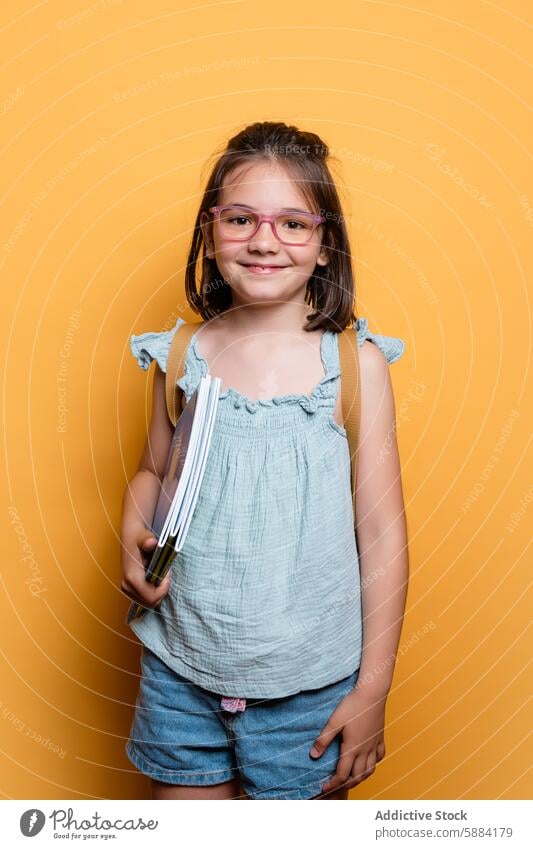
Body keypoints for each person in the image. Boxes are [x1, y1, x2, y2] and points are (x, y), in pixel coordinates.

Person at [120, 120, 409, 800]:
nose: (263, 241)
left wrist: (373, 687)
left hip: (310, 685)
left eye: (292, 224)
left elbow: (382, 533)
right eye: (242, 218)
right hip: (180, 668)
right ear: (209, 229)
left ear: (323, 242)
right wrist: (130, 535)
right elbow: (151, 473)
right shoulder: (179, 355)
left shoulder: (353, 366)